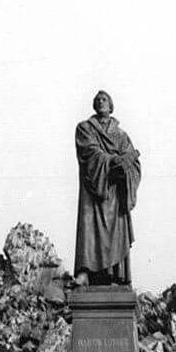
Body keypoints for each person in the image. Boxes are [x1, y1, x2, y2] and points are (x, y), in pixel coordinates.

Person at [74, 90, 141, 287]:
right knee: (89, 228)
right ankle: (85, 271)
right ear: (94, 105)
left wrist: (126, 167)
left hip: (114, 191)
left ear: (111, 106)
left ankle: (114, 275)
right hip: (94, 188)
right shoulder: (85, 128)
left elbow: (134, 163)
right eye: (98, 100)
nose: (101, 101)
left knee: (116, 232)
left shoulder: (121, 135)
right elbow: (89, 151)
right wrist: (113, 160)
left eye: (105, 99)